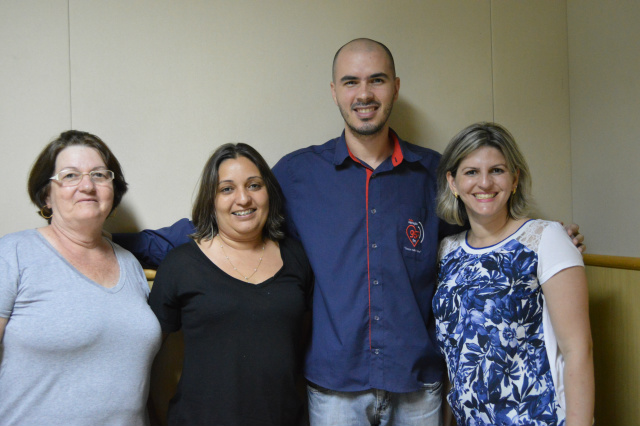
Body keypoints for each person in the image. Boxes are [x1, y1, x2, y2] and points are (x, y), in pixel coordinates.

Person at [113, 39, 585, 426]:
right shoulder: (297, 175)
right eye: (351, 81)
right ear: (334, 91)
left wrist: (545, 240)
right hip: (333, 387)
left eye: (376, 79)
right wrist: (102, 244)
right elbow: (222, 223)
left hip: (418, 385)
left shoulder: (435, 172)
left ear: (395, 87)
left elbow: (487, 226)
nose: (365, 93)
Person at [432, 122, 594, 426]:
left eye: (497, 170)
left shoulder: (546, 238)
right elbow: (454, 358)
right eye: (471, 172)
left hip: (536, 417)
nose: (484, 183)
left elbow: (578, 350)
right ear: (452, 183)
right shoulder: (447, 251)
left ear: (515, 178)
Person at [0, 130, 162, 426]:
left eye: (100, 175)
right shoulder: (12, 254)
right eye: (70, 175)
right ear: (46, 195)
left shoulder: (132, 265)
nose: (87, 185)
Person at [147, 143, 313, 425]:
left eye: (254, 185)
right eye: (227, 189)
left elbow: (305, 344)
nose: (243, 199)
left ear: (268, 192)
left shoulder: (297, 257)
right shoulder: (181, 264)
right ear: (211, 200)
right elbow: (143, 355)